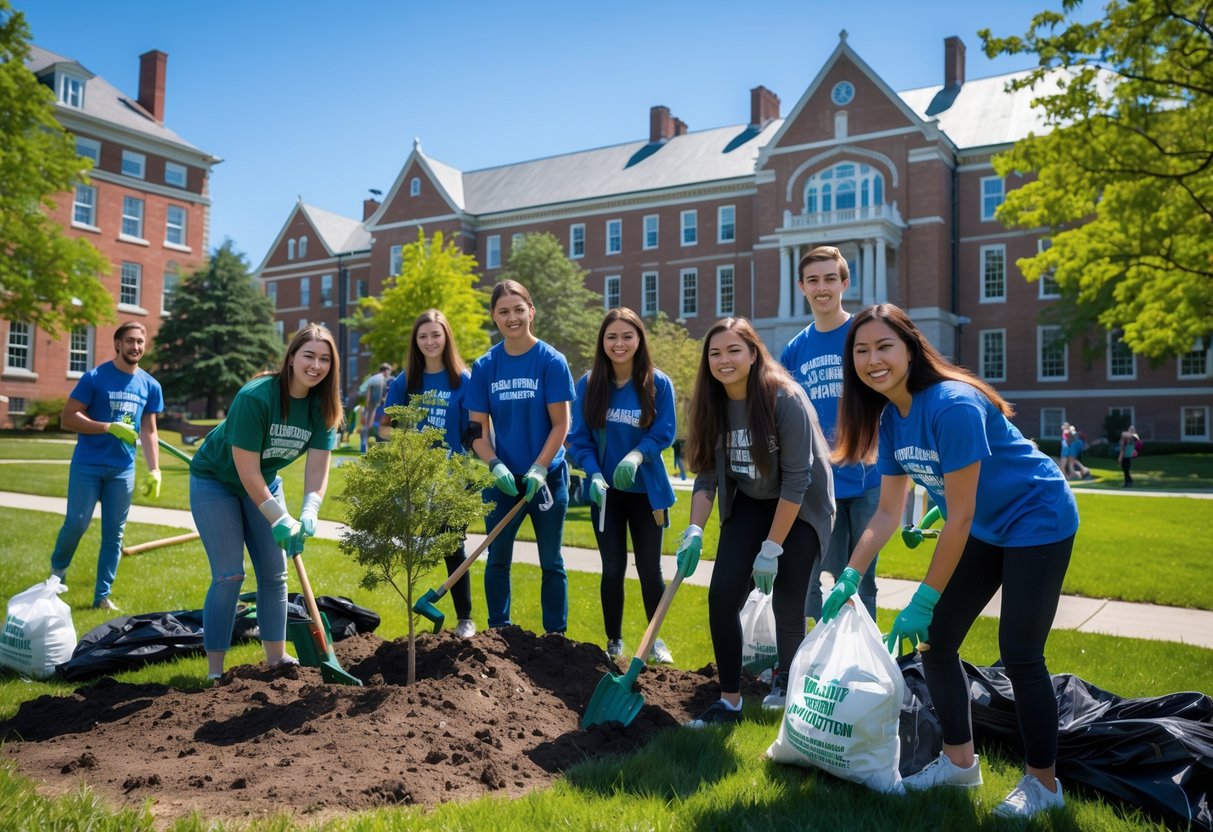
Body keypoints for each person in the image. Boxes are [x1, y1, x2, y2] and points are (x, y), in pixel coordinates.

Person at [822, 304, 1078, 819]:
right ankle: (961, 766)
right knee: (937, 645)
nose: (873, 359)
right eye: (861, 350)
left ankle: (1044, 786)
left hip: (1037, 518)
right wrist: (850, 573)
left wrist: (923, 598)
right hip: (985, 520)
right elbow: (888, 512)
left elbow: (958, 519)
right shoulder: (890, 418)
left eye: (884, 346)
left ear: (910, 349)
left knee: (1021, 653)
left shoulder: (952, 404)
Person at [676, 317, 834, 727]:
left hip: (801, 506)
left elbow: (799, 479)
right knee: (722, 596)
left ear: (752, 354)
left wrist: (772, 547)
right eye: (715, 352)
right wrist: (695, 529)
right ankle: (729, 701)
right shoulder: (711, 401)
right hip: (750, 500)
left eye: (733, 350)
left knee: (787, 597)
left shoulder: (784, 398)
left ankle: (789, 688)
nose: (723, 360)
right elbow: (708, 474)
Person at [189, 324, 342, 680]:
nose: (316, 366)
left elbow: (318, 467)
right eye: (309, 356)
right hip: (217, 480)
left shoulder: (325, 407)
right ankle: (215, 672)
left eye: (324, 359)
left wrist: (309, 510)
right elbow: (246, 471)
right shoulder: (256, 397)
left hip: (265, 480)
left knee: (275, 574)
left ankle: (277, 659)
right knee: (230, 574)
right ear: (291, 358)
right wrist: (278, 516)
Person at [466, 280, 576, 634]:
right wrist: (495, 464)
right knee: (497, 560)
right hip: (503, 483)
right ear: (494, 317)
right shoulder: (485, 366)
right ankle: (500, 634)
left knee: (551, 562)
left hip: (547, 480)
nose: (512, 317)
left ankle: (555, 639)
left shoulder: (551, 361)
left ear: (531, 311)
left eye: (518, 309)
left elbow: (561, 425)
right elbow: (475, 432)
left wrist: (540, 469)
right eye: (503, 312)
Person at [569, 308, 677, 663]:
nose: (619, 343)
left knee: (650, 570)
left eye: (627, 336)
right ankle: (614, 641)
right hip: (606, 495)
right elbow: (579, 439)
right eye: (612, 336)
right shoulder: (588, 385)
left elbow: (664, 433)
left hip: (648, 493)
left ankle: (654, 640)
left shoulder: (657, 383)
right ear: (602, 341)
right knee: (612, 569)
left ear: (639, 340)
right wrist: (593, 472)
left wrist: (636, 456)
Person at [780, 246, 882, 623]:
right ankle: (810, 652)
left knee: (861, 581)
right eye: (813, 280)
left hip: (870, 479)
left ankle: (861, 660)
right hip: (820, 483)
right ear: (802, 287)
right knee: (810, 576)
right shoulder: (795, 349)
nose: (821, 288)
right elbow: (784, 413)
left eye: (829, 279)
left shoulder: (864, 334)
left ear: (844, 282)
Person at [50, 321, 163, 610]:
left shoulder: (150, 385)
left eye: (140, 341)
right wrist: (107, 427)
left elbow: (149, 430)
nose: (135, 346)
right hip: (88, 464)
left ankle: (102, 596)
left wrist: (154, 469)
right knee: (77, 523)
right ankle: (56, 576)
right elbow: (68, 418)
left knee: (115, 534)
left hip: (122, 470)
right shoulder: (95, 377)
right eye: (129, 341)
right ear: (117, 344)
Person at [382, 309, 477, 639]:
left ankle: (465, 618)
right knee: (410, 549)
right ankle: (411, 620)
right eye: (423, 336)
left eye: (436, 335)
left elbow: (473, 433)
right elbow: (386, 428)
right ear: (416, 341)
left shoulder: (463, 380)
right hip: (416, 479)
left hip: (452, 480)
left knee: (453, 546)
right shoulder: (405, 381)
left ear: (446, 337)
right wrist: (410, 447)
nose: (430, 341)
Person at [359, 363, 391, 453]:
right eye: (388, 371)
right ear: (385, 371)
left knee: (370, 429)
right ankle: (367, 448)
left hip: (377, 409)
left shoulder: (375, 379)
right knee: (371, 429)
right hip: (377, 409)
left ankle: (366, 448)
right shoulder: (383, 380)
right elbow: (369, 395)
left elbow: (368, 395)